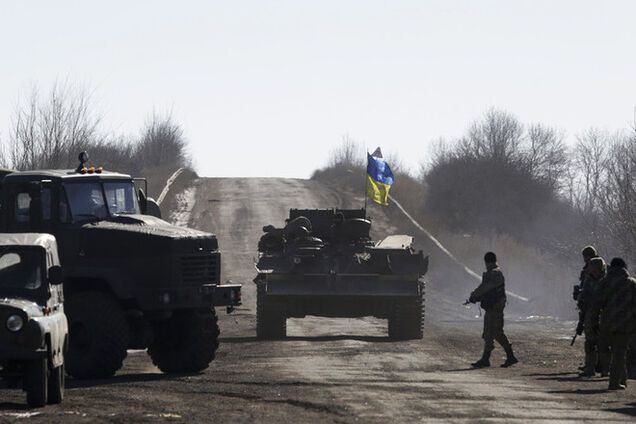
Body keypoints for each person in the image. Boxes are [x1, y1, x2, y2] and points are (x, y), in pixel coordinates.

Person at [468, 252, 518, 368]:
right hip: (492, 307)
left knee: (495, 332)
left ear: (487, 261)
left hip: (495, 307)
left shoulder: (495, 273)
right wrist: (476, 296)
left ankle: (509, 356)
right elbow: (486, 288)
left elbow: (486, 287)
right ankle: (487, 359)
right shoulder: (494, 272)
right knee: (489, 333)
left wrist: (474, 295)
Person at [598, 257, 636, 390]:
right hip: (625, 325)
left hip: (607, 324)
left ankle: (622, 379)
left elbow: (598, 303)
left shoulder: (605, 283)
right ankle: (614, 382)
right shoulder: (631, 283)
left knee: (614, 352)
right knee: (620, 353)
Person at [577, 257, 609, 377]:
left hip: (604, 315)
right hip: (590, 314)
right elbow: (583, 295)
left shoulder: (607, 280)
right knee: (590, 343)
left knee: (604, 344)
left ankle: (605, 369)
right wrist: (581, 299)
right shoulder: (589, 280)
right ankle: (589, 369)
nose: (592, 271)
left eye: (594, 269)